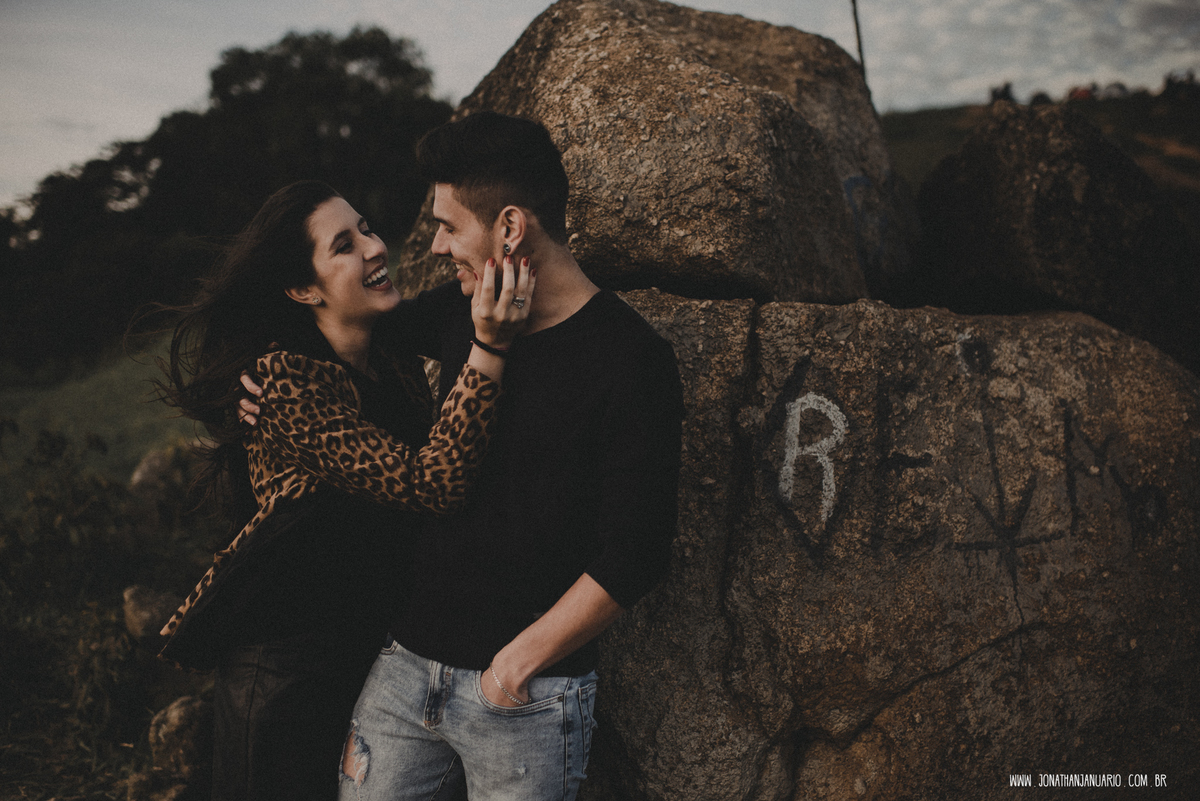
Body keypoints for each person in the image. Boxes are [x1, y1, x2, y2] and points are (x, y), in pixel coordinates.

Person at [338, 111, 684, 800]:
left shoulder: (631, 358)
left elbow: (635, 552)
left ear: (511, 228)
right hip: (406, 667)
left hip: (524, 695)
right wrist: (261, 387)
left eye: (448, 225)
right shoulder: (457, 313)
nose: (437, 246)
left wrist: (514, 665)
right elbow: (349, 332)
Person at [155, 179, 533, 801]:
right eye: (343, 244)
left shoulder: (387, 357)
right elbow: (431, 483)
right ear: (304, 289)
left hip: (370, 664)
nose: (374, 247)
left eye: (366, 228)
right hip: (287, 682)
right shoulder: (284, 384)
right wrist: (490, 348)